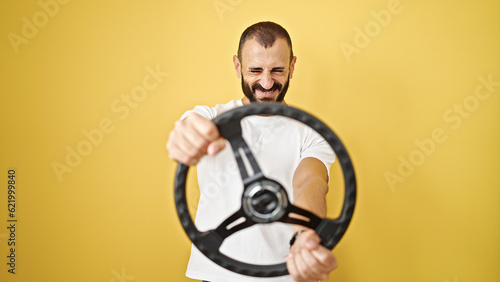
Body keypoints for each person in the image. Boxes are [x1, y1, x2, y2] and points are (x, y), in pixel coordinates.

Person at [167, 21, 338, 282]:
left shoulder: (310, 131)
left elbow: (310, 182)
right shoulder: (212, 117)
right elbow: (191, 126)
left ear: (292, 66)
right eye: (255, 70)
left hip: (284, 275)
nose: (267, 82)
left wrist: (305, 236)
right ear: (238, 66)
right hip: (216, 274)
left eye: (277, 70)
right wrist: (187, 136)